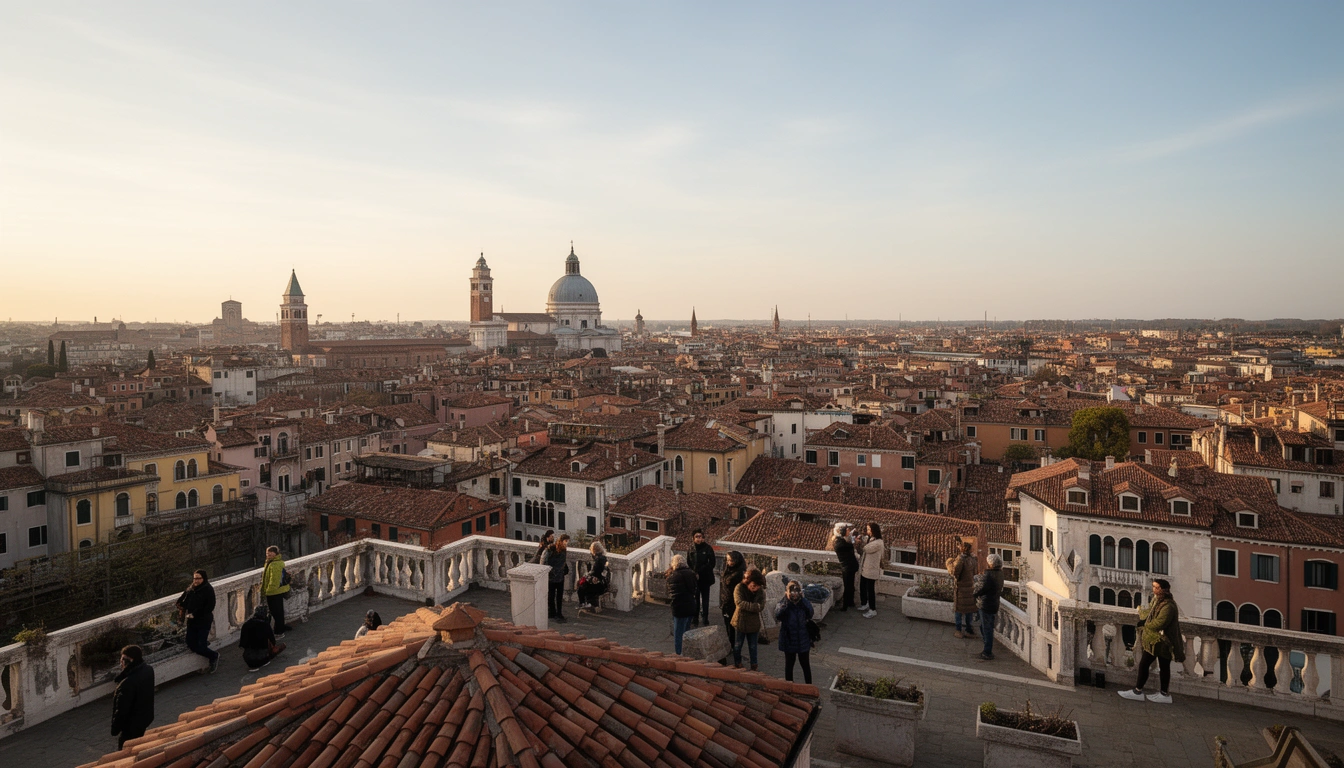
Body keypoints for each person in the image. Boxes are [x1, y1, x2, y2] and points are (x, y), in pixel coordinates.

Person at [1119, 579, 1184, 704]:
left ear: (1163, 589)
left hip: (1161, 642)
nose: (1153, 589)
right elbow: (1150, 612)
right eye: (1153, 586)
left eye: (1156, 587)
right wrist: (1141, 611)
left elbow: (1159, 623)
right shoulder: (1157, 600)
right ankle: (1161, 693)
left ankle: (1141, 691)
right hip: (1155, 641)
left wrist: (1145, 624)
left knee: (1151, 665)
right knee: (1158, 666)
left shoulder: (1169, 606)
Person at [111, 644, 154, 749]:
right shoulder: (148, 670)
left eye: (122, 660)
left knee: (125, 751)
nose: (120, 663)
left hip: (131, 726)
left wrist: (115, 729)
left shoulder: (127, 684)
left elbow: (121, 710)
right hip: (145, 718)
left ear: (129, 660)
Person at [176, 569, 219, 673]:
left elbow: (210, 607)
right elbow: (183, 599)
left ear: (203, 578)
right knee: (190, 643)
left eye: (199, 578)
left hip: (203, 621)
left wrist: (195, 614)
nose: (196, 580)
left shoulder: (208, 589)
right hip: (192, 622)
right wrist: (180, 604)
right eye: (195, 578)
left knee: (201, 646)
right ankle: (206, 649)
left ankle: (214, 656)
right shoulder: (191, 588)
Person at [776, 580, 815, 683]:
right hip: (789, 640)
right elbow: (778, 615)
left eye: (797, 591)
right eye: (792, 592)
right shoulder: (784, 603)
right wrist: (787, 601)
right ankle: (790, 688)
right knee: (789, 665)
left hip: (803, 639)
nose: (794, 595)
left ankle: (809, 687)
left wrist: (803, 599)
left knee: (805, 665)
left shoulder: (803, 603)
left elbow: (810, 613)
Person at [731, 569, 767, 670]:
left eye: (757, 586)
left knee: (753, 646)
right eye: (753, 586)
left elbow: (761, 606)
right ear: (748, 582)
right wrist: (754, 607)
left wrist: (752, 607)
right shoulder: (739, 588)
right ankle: (737, 662)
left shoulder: (760, 592)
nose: (755, 589)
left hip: (753, 623)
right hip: (740, 621)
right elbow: (739, 603)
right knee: (738, 644)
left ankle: (754, 664)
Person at [973, 553, 1004, 660]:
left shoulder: (988, 576)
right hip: (994, 603)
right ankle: (987, 647)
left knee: (987, 628)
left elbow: (980, 589)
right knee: (985, 627)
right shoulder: (1000, 574)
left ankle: (987, 651)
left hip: (986, 604)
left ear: (991, 564)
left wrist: (975, 593)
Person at [666, 554, 699, 654]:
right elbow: (694, 589)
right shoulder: (691, 573)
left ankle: (679, 653)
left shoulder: (672, 576)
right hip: (690, 605)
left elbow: (671, 593)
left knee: (678, 633)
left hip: (679, 607)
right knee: (687, 631)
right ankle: (686, 651)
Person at [946, 541, 978, 639]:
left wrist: (949, 563)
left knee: (958, 610)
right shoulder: (973, 559)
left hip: (961, 588)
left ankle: (958, 630)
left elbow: (954, 572)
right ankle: (969, 629)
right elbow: (975, 572)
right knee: (969, 610)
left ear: (962, 549)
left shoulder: (961, 559)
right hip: (970, 588)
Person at [239, 605, 286, 671]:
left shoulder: (246, 624)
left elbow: (242, 645)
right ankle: (264, 660)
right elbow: (273, 641)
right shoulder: (265, 625)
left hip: (247, 658)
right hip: (263, 657)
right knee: (279, 646)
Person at [719, 550, 746, 657]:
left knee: (733, 626)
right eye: (728, 560)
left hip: (733, 602)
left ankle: (734, 648)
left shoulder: (739, 573)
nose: (729, 562)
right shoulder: (728, 570)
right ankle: (731, 646)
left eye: (731, 560)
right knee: (728, 625)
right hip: (725, 601)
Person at [687, 530, 716, 627]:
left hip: (705, 578)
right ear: (693, 538)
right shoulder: (691, 549)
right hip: (695, 578)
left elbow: (712, 563)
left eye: (700, 537)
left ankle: (705, 618)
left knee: (705, 599)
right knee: (695, 598)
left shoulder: (708, 549)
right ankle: (695, 618)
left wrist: (700, 571)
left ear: (703, 538)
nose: (699, 539)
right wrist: (694, 573)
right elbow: (689, 562)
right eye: (697, 537)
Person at [261, 546, 290, 638]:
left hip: (274, 592)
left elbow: (274, 581)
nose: (268, 555)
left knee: (275, 612)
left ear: (275, 554)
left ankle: (279, 632)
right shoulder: (271, 562)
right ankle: (281, 627)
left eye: (270, 553)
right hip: (277, 591)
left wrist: (268, 591)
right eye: (267, 553)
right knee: (278, 611)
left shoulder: (275, 564)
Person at [858, 523, 885, 619]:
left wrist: (861, 542)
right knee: (862, 587)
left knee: (870, 590)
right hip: (865, 568)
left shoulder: (878, 542)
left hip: (871, 570)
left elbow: (866, 549)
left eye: (869, 529)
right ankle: (864, 603)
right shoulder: (871, 540)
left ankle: (872, 610)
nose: (867, 531)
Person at [831, 523, 859, 611]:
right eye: (847, 530)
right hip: (848, 566)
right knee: (848, 586)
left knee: (849, 585)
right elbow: (851, 544)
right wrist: (853, 538)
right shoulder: (841, 543)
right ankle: (847, 604)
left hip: (848, 566)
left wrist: (850, 536)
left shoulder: (840, 541)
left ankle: (848, 603)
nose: (849, 531)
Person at [544, 534, 571, 623]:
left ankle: (555, 613)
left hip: (556, 576)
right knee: (553, 595)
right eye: (566, 541)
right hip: (554, 576)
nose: (567, 543)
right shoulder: (553, 549)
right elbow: (548, 562)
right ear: (562, 541)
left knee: (556, 595)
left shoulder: (556, 549)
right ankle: (555, 613)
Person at [578, 540, 609, 611]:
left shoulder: (598, 560)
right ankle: (590, 604)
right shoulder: (604, 558)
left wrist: (587, 576)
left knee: (581, 588)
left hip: (598, 585)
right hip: (603, 583)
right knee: (585, 584)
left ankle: (584, 604)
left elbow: (595, 572)